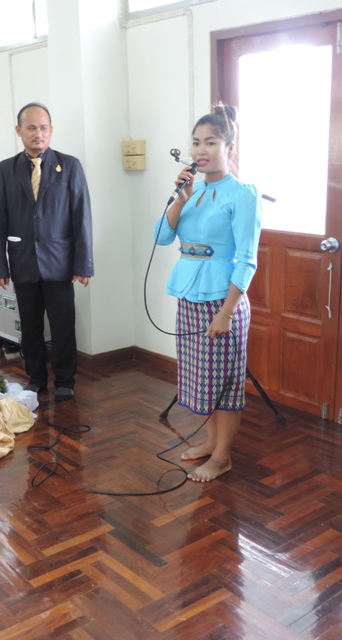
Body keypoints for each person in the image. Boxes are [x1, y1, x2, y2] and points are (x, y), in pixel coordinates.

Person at [154, 104, 262, 482]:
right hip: (189, 296)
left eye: (211, 142)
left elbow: (247, 260)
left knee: (225, 383)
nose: (201, 150)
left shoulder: (242, 194)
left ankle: (223, 456)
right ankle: (212, 442)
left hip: (222, 301)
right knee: (203, 379)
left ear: (228, 147)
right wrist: (180, 198)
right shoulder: (193, 191)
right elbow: (161, 236)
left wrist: (227, 312)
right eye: (196, 142)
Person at [0, 102, 93, 402]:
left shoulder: (69, 165)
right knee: (31, 327)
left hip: (60, 263)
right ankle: (35, 378)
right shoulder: (6, 169)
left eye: (44, 127)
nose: (38, 133)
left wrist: (83, 264)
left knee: (63, 326)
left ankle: (65, 380)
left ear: (51, 130)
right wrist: (0, 266)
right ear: (19, 130)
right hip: (23, 262)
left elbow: (81, 216)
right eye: (32, 127)